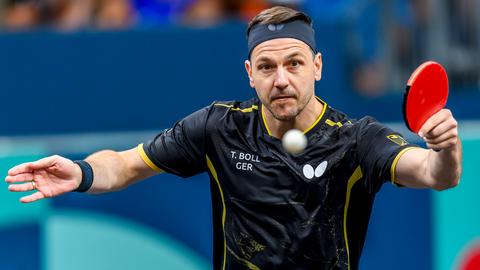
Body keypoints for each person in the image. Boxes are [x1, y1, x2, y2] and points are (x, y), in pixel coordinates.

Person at [4, 6, 462, 270]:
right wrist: (81, 172)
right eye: (266, 67)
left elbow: (432, 174)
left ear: (318, 67)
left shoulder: (358, 139)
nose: (281, 79)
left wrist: (446, 151)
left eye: (294, 64)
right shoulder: (218, 127)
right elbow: (125, 165)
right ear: (249, 74)